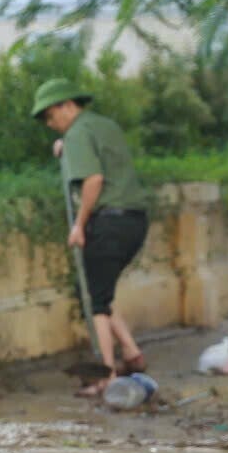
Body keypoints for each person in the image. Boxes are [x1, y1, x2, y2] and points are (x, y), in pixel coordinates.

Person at [32, 78, 150, 391]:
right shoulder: (102, 126)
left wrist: (79, 225)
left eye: (51, 115)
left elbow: (94, 180)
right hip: (135, 221)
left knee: (96, 301)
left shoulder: (77, 134)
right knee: (101, 290)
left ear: (68, 105)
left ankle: (106, 375)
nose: (50, 123)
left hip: (107, 223)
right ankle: (132, 354)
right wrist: (66, 147)